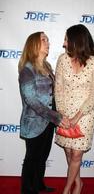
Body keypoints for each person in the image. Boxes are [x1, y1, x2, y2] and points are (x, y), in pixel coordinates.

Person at [18, 31, 69, 194]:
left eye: (48, 39)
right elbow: (31, 101)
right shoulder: (27, 70)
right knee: (31, 158)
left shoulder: (47, 67)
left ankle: (38, 184)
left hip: (48, 122)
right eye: (43, 40)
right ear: (34, 44)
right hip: (33, 123)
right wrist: (56, 117)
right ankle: (27, 189)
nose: (48, 42)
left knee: (42, 157)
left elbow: (51, 94)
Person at [54, 24, 94, 194]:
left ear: (77, 40)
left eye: (67, 39)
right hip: (65, 114)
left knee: (76, 155)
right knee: (69, 152)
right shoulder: (62, 59)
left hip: (85, 115)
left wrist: (77, 116)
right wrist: (62, 114)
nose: (64, 43)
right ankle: (79, 182)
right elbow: (58, 88)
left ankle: (68, 189)